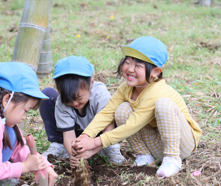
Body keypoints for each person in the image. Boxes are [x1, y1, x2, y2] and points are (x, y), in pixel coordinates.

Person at [71, 36, 202, 177]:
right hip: (158, 143)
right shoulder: (126, 88)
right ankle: (145, 156)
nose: (130, 69)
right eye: (127, 62)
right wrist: (86, 135)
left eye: (138, 66)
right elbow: (107, 112)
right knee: (122, 110)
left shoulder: (157, 91)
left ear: (155, 72)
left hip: (181, 144)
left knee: (163, 104)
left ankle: (172, 159)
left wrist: (94, 144)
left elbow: (131, 126)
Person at [39, 56, 126, 164]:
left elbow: (108, 127)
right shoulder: (61, 102)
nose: (75, 103)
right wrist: (74, 155)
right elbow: (68, 134)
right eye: (68, 100)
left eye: (79, 98)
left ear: (91, 84)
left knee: (119, 110)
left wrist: (95, 147)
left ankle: (110, 147)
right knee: (47, 95)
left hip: (102, 133)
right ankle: (59, 145)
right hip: (78, 133)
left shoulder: (100, 95)